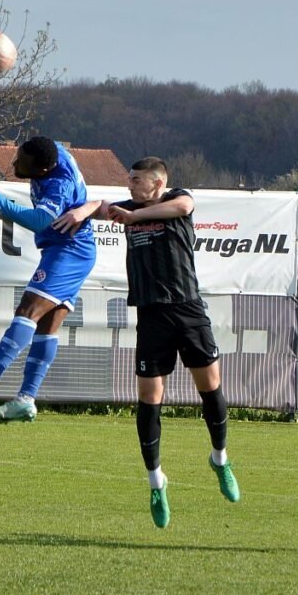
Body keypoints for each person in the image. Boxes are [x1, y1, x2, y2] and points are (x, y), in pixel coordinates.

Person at [52, 156, 240, 529]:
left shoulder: (176, 199)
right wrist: (86, 210)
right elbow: (100, 205)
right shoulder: (125, 207)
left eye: (136, 179)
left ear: (157, 183)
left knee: (211, 388)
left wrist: (134, 217)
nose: (130, 184)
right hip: (151, 315)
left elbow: (183, 206)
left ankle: (220, 459)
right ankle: (156, 482)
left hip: (187, 309)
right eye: (129, 179)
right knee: (150, 399)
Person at [0, 136, 96, 423]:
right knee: (47, 326)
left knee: (28, 310)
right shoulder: (52, 152)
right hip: (67, 249)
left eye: (22, 162)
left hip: (69, 250)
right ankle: (26, 399)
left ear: (42, 170)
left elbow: (37, 221)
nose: (14, 163)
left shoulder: (59, 185)